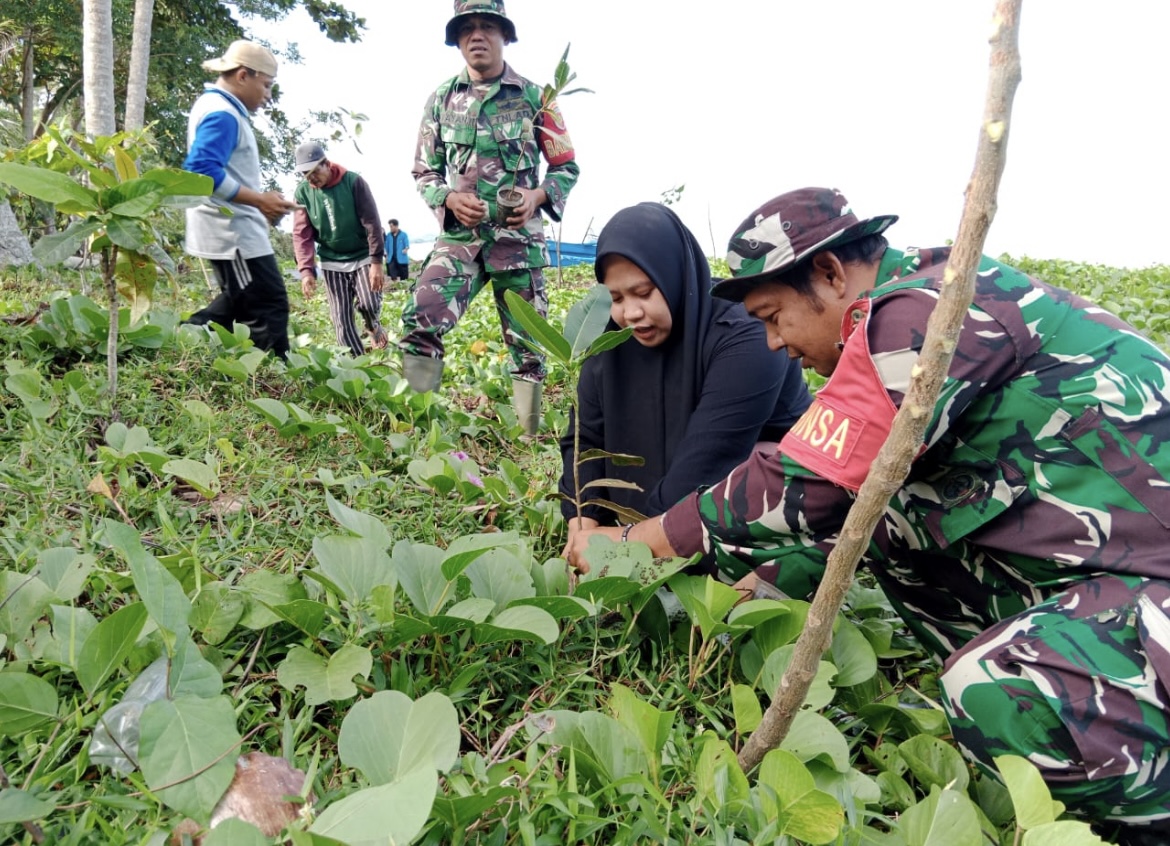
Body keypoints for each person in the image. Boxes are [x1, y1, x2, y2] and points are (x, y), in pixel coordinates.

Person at [565, 187, 1170, 842]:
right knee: (887, 522)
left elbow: (805, 484)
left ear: (829, 274)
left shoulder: (928, 310)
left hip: (1153, 582)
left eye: (774, 316)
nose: (773, 344)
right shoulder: (902, 315)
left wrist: (638, 540)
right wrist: (744, 602)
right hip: (1115, 566)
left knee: (994, 684)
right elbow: (841, 517)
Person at [558, 202, 811, 558]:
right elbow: (585, 439)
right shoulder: (609, 340)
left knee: (756, 476)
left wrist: (622, 545)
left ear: (674, 277)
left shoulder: (745, 337)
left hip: (757, 506)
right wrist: (582, 522)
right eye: (616, 298)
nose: (630, 313)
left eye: (644, 293)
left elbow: (710, 460)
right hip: (647, 520)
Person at [399, 0, 580, 436]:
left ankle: (529, 436)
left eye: (487, 26)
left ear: (505, 35)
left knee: (528, 345)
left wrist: (538, 196)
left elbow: (566, 167)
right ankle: (419, 429)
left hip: (519, 244)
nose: (476, 35)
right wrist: (447, 198)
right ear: (457, 39)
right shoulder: (442, 99)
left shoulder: (539, 99)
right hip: (460, 241)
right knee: (420, 317)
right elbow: (424, 170)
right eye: (467, 28)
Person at [183, 40, 300, 359]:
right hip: (230, 233)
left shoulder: (221, 107)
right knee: (267, 305)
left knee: (240, 298)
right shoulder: (222, 114)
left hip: (236, 227)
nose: (268, 94)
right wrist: (259, 200)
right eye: (266, 84)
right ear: (243, 75)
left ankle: (185, 335)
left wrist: (263, 200)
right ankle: (271, 378)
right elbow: (201, 171)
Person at [292, 142, 388, 356]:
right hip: (331, 260)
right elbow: (301, 234)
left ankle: (372, 326)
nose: (311, 178)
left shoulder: (353, 182)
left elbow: (372, 222)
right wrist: (306, 271)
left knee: (369, 303)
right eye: (306, 174)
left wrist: (376, 262)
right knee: (341, 319)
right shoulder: (303, 194)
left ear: (326, 164)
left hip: (362, 255)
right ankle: (358, 365)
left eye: (315, 171)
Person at [384, 219, 411, 285]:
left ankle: (404, 286)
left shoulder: (403, 234)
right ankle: (396, 285)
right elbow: (386, 245)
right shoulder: (389, 235)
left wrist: (406, 249)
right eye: (390, 226)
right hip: (392, 257)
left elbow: (407, 244)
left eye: (391, 226)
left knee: (404, 275)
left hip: (401, 257)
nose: (390, 228)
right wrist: (386, 254)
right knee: (393, 274)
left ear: (396, 226)